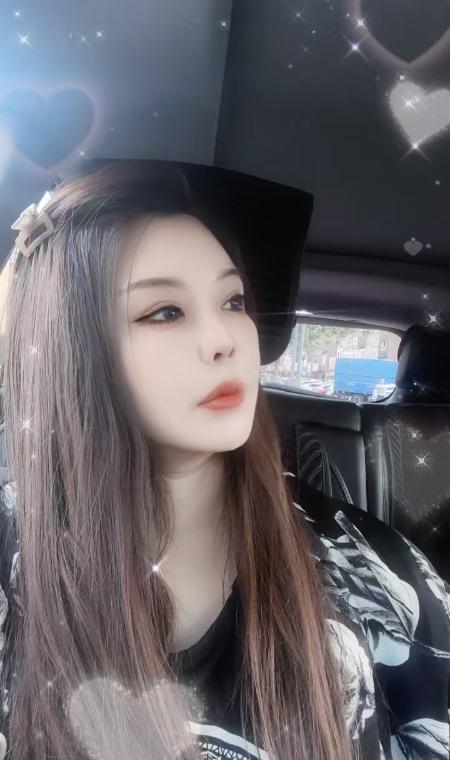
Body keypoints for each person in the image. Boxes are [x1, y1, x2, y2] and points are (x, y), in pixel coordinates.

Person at [0, 159, 448, 760]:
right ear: (70, 350)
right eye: (165, 311)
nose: (224, 339)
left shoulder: (373, 570)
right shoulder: (15, 553)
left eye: (233, 301)